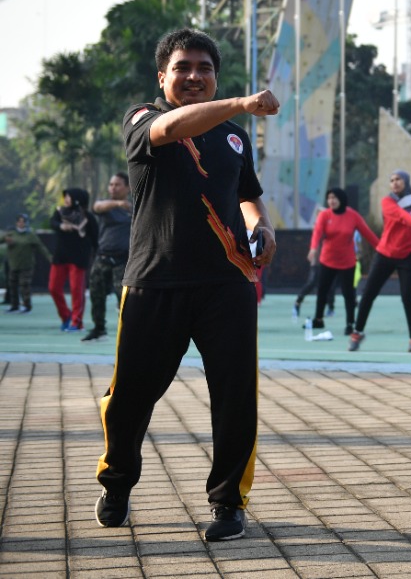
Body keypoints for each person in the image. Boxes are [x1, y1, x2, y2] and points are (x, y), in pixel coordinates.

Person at [96, 27, 279, 543]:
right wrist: (240, 102)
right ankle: (117, 483)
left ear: (214, 75)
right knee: (130, 395)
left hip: (229, 285)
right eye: (183, 68)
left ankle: (228, 504)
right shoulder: (143, 118)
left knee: (235, 396)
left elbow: (247, 194)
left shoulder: (234, 137)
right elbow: (171, 130)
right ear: (163, 77)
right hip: (156, 282)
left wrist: (260, 225)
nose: (195, 76)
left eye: (205, 68)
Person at [348, 171, 411, 353]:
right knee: (368, 293)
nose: (394, 183)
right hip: (385, 254)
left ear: (406, 182)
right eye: (391, 180)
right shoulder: (388, 202)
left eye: (398, 179)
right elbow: (401, 215)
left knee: (408, 298)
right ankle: (357, 332)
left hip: (408, 256)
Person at [308, 187, 379, 339]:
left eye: (334, 198)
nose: (331, 201)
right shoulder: (324, 215)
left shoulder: (353, 216)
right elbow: (317, 233)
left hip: (347, 262)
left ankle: (350, 323)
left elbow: (368, 233)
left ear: (341, 199)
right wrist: (313, 249)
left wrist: (381, 248)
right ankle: (318, 319)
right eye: (329, 198)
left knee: (348, 294)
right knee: (322, 290)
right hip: (327, 260)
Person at [83, 173, 132, 342]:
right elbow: (97, 207)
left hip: (123, 261)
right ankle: (99, 329)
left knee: (125, 300)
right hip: (102, 258)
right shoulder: (105, 206)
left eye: (117, 184)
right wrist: (118, 203)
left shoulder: (134, 209)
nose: (113, 188)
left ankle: (128, 333)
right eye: (111, 184)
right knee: (96, 296)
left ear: (128, 187)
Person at [49, 187, 97, 332]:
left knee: (77, 291)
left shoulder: (87, 217)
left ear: (77, 199)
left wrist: (96, 255)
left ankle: (77, 322)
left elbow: (95, 238)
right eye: (66, 196)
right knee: (53, 288)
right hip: (60, 257)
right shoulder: (59, 212)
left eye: (69, 197)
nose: (66, 199)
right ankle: (66, 316)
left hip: (79, 258)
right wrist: (61, 226)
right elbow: (53, 223)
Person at [4, 213, 51, 313]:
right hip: (14, 264)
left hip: (27, 265)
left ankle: (27, 305)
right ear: (16, 223)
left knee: (24, 285)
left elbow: (41, 248)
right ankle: (14, 305)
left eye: (23, 222)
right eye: (19, 221)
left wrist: (50, 258)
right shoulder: (11, 233)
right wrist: (5, 239)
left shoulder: (30, 235)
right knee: (12, 285)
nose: (21, 224)